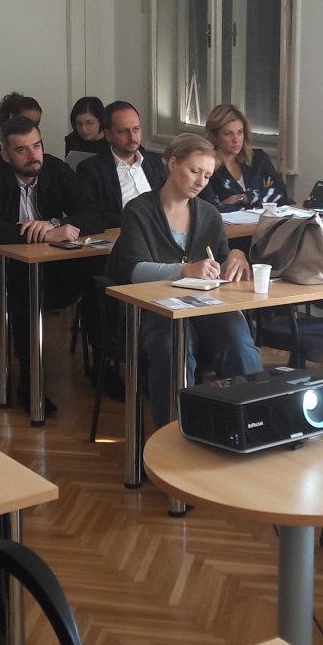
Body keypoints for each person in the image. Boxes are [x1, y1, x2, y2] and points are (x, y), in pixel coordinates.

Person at [106, 134, 262, 427]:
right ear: (173, 164)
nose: (201, 182)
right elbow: (134, 270)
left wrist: (236, 256)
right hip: (156, 307)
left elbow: (220, 261)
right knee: (172, 348)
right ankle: (175, 432)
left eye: (207, 176)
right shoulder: (139, 210)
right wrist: (185, 270)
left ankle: (251, 424)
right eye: (194, 171)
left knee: (240, 341)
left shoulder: (209, 214)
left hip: (206, 304)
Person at [0, 116, 106, 413]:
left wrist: (56, 224)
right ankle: (29, 379)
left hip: (55, 266)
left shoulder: (56, 169)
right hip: (5, 270)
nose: (33, 156)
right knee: (25, 278)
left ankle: (103, 364)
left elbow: (94, 214)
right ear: (6, 155)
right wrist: (41, 234)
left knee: (100, 271)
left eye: (37, 146)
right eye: (22, 150)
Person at [76, 100, 167, 228]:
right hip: (123, 234)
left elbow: (169, 202)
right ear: (108, 135)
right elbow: (93, 215)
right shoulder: (91, 170)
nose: (132, 137)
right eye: (124, 131)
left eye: (136, 129)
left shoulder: (154, 161)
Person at [201, 103, 289, 213]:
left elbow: (280, 193)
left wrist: (241, 198)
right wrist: (260, 199)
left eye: (240, 132)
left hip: (263, 222)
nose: (236, 140)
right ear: (214, 137)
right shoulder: (206, 167)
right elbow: (214, 209)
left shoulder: (258, 158)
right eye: (228, 134)